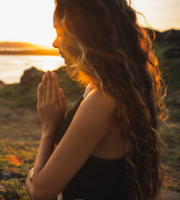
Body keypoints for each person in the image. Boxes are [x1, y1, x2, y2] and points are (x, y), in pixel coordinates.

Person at [25, 0, 167, 199]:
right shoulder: (106, 89)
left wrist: (49, 127)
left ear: (85, 34)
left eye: (60, 31)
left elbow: (41, 191)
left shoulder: (103, 100)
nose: (54, 42)